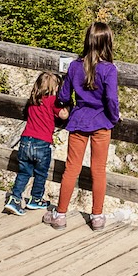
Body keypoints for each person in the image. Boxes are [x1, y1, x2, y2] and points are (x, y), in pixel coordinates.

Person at [46, 22, 120, 232]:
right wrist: (113, 118)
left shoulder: (75, 66)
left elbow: (62, 96)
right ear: (107, 42)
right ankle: (97, 216)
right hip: (102, 122)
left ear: (88, 40)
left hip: (79, 119)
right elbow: (111, 100)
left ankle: (60, 214)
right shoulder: (109, 70)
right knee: (98, 170)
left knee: (71, 168)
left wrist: (65, 104)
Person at [4, 71, 64, 216]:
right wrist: (68, 106)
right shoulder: (52, 101)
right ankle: (35, 198)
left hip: (25, 141)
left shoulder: (33, 100)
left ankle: (15, 199)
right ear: (55, 88)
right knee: (40, 173)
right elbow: (63, 115)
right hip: (42, 143)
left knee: (24, 172)